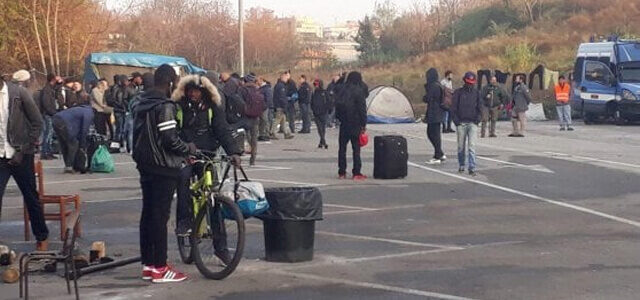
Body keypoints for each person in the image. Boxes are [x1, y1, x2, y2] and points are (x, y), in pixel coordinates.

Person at [132, 64, 195, 283]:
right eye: (175, 83)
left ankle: (149, 265)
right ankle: (160, 267)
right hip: (163, 167)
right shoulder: (165, 105)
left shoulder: (141, 103)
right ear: (169, 82)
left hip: (145, 164)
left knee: (148, 215)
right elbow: (169, 138)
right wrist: (188, 148)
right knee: (160, 217)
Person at [171, 74, 242, 249]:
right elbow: (173, 133)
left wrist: (233, 152)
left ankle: (221, 248)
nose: (193, 94)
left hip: (207, 154)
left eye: (197, 91)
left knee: (214, 199)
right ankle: (184, 222)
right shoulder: (178, 107)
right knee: (183, 179)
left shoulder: (212, 107)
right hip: (186, 154)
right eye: (190, 91)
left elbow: (221, 128)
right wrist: (184, 149)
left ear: (204, 92)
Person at [0, 74, 48, 250]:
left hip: (21, 154)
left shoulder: (18, 93)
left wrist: (24, 148)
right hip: (0, 156)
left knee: (30, 196)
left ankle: (42, 236)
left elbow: (37, 122)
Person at [336, 72, 368, 180]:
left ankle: (342, 172)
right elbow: (362, 109)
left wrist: (339, 119)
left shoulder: (341, 90)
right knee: (356, 149)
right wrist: (363, 124)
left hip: (344, 123)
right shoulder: (359, 91)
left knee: (342, 148)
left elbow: (337, 106)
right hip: (355, 123)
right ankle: (356, 172)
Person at [451, 72, 482, 176]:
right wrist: (457, 122)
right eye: (468, 82)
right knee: (461, 147)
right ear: (464, 81)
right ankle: (461, 165)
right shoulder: (458, 93)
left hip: (472, 123)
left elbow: (480, 108)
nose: (470, 84)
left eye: (472, 83)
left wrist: (477, 120)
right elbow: (453, 108)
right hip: (461, 123)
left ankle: (472, 167)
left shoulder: (477, 93)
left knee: (471, 146)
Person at [52, 100, 94, 173]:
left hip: (56, 119)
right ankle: (69, 167)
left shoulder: (80, 109)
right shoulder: (89, 113)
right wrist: (82, 144)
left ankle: (68, 165)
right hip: (64, 123)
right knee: (73, 144)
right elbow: (84, 129)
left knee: (64, 144)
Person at [423, 68, 447, 164]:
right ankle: (440, 153)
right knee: (434, 134)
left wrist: (425, 95)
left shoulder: (433, 86)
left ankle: (438, 155)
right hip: (439, 113)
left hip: (434, 113)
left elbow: (427, 98)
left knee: (433, 134)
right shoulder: (439, 85)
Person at [239, 73, 262, 165]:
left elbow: (239, 102)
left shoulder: (242, 90)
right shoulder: (257, 89)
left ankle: (246, 150)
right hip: (256, 116)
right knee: (254, 137)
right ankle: (253, 157)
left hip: (246, 116)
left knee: (245, 134)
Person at [39, 74, 63, 160]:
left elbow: (57, 92)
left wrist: (60, 84)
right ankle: (45, 152)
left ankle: (49, 151)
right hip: (48, 114)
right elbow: (46, 103)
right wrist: (52, 112)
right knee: (48, 134)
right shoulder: (47, 90)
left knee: (50, 133)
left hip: (51, 113)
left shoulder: (51, 88)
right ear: (53, 80)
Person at [270, 72, 294, 140]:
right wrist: (284, 105)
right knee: (278, 119)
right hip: (280, 105)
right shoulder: (280, 86)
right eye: (286, 77)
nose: (287, 79)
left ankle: (286, 133)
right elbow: (282, 97)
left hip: (280, 105)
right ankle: (272, 132)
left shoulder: (280, 85)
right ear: (282, 77)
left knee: (283, 119)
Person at [311, 78, 331, 149]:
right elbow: (312, 103)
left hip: (323, 113)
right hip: (316, 113)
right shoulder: (314, 93)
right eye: (314, 84)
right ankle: (323, 141)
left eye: (316, 84)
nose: (315, 86)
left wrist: (328, 110)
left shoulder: (325, 93)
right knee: (319, 128)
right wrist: (313, 110)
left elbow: (329, 102)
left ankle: (321, 141)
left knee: (323, 128)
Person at [257, 77, 273, 141]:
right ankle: (261, 134)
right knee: (261, 121)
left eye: (258, 81)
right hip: (260, 107)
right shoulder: (261, 88)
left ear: (262, 80)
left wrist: (265, 106)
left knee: (265, 120)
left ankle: (266, 134)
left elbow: (268, 99)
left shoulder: (266, 89)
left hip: (264, 107)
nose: (257, 82)